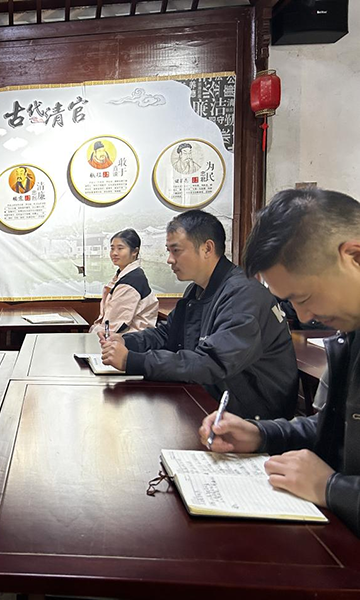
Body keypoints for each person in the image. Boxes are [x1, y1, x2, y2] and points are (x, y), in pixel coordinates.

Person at [200, 188, 360, 535]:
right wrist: (260, 434)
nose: (304, 316)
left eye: (304, 297)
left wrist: (332, 488)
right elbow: (338, 431)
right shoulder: (351, 333)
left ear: (354, 257)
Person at [99, 210, 298, 420]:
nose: (169, 260)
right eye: (168, 251)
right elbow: (168, 334)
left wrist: (132, 361)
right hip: (211, 396)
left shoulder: (243, 295)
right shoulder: (198, 289)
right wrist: (125, 341)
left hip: (251, 416)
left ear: (207, 249)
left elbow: (210, 362)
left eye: (176, 251)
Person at [90, 228, 158, 335]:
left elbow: (113, 326)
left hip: (130, 339)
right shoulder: (126, 275)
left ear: (135, 251)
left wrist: (93, 333)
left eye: (120, 248)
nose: (114, 253)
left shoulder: (132, 281)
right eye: (112, 248)